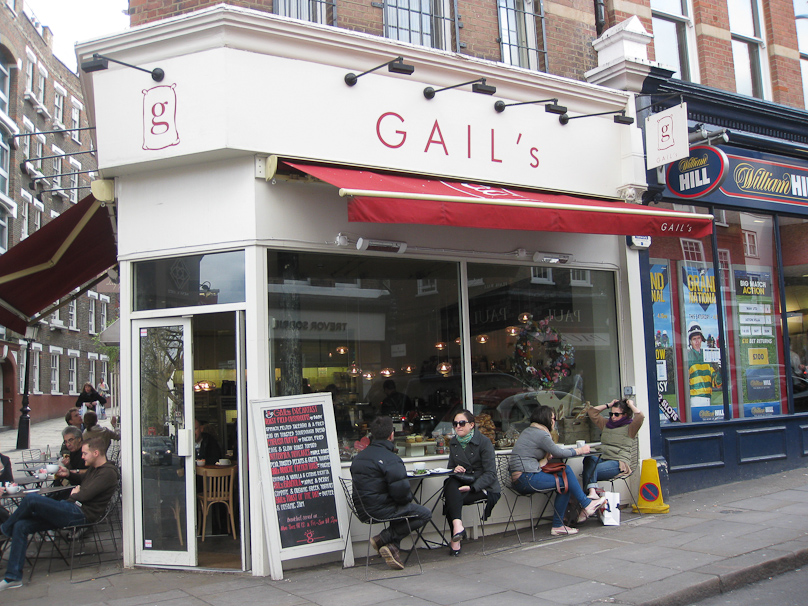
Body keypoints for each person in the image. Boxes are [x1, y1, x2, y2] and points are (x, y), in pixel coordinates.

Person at [0, 436, 119, 590]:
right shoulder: (95, 469)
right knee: (21, 525)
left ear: (96, 453)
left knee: (31, 500)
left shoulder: (107, 473)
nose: (82, 456)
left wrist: (74, 495)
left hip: (80, 514)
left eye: (85, 453)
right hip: (72, 508)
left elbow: (84, 495)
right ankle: (13, 577)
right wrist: (68, 474)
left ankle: (4, 530)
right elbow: (82, 480)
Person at [509, 405, 606, 536]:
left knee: (565, 474)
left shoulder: (529, 431)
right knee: (564, 483)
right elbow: (558, 452)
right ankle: (572, 515)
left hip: (522, 477)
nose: (555, 421)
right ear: (547, 419)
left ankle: (580, 508)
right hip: (525, 478)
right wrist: (580, 450)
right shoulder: (541, 434)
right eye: (554, 418)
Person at [350, 416, 431, 570]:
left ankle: (393, 549)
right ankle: (383, 539)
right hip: (381, 510)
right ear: (391, 435)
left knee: (400, 508)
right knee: (424, 513)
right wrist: (406, 500)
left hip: (362, 510)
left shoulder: (358, 458)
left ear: (372, 434)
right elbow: (401, 494)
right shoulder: (391, 459)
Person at [444, 410, 500, 556]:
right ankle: (458, 527)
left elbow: (491, 474)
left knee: (452, 498)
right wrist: (455, 468)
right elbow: (450, 468)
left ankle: (455, 540)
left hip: (483, 486)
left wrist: (473, 487)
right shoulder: (454, 442)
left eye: (462, 423)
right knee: (449, 484)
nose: (458, 427)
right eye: (455, 424)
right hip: (463, 480)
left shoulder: (484, 442)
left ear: (471, 425)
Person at [582, 399, 644, 499]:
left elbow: (640, 416)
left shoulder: (631, 427)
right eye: (611, 414)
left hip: (618, 462)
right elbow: (591, 412)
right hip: (602, 458)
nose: (613, 417)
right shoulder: (607, 424)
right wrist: (608, 404)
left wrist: (631, 405)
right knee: (588, 459)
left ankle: (587, 499)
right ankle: (592, 494)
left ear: (625, 414)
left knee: (590, 471)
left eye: (616, 414)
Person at [687, 322, 721, 407]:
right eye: (694, 339)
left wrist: (720, 370)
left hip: (707, 398)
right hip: (694, 399)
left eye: (699, 338)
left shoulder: (707, 355)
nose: (697, 342)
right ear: (690, 342)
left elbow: (716, 383)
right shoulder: (687, 356)